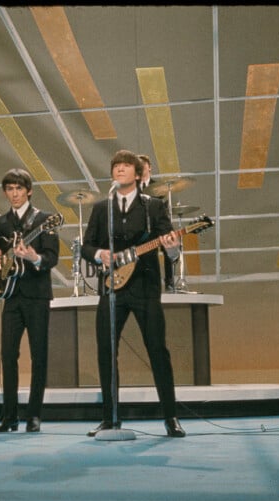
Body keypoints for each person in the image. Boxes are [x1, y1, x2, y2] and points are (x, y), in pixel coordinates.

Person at [81, 150, 186, 438]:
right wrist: (99, 254)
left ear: (139, 174)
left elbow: (168, 243)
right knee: (106, 351)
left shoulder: (154, 206)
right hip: (111, 288)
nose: (120, 170)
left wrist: (174, 246)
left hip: (145, 288)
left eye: (126, 166)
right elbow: (86, 246)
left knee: (157, 351)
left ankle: (171, 417)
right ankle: (109, 419)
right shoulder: (102, 208)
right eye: (116, 166)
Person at [0, 169, 59, 433]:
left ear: (29, 191)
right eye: (10, 189)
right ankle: (9, 416)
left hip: (37, 296)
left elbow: (51, 258)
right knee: (8, 355)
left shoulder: (45, 220)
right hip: (11, 297)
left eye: (18, 188)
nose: (14, 193)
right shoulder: (1, 223)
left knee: (39, 356)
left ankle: (34, 416)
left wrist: (34, 257)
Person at [138, 154, 176, 292]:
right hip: (142, 227)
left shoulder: (158, 186)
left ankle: (170, 282)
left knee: (169, 241)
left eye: (143, 165)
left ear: (149, 168)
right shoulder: (132, 187)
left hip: (158, 222)